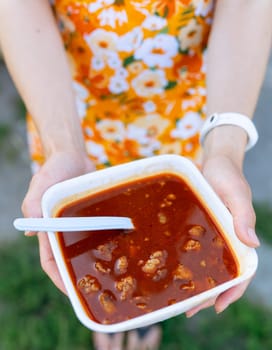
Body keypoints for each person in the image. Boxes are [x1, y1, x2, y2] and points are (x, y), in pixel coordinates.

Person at [0, 0, 271, 349]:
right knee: (96, 243)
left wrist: (224, 150)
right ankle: (114, 319)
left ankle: (146, 317)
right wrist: (62, 147)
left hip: (185, 108)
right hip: (71, 104)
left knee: (175, 237)